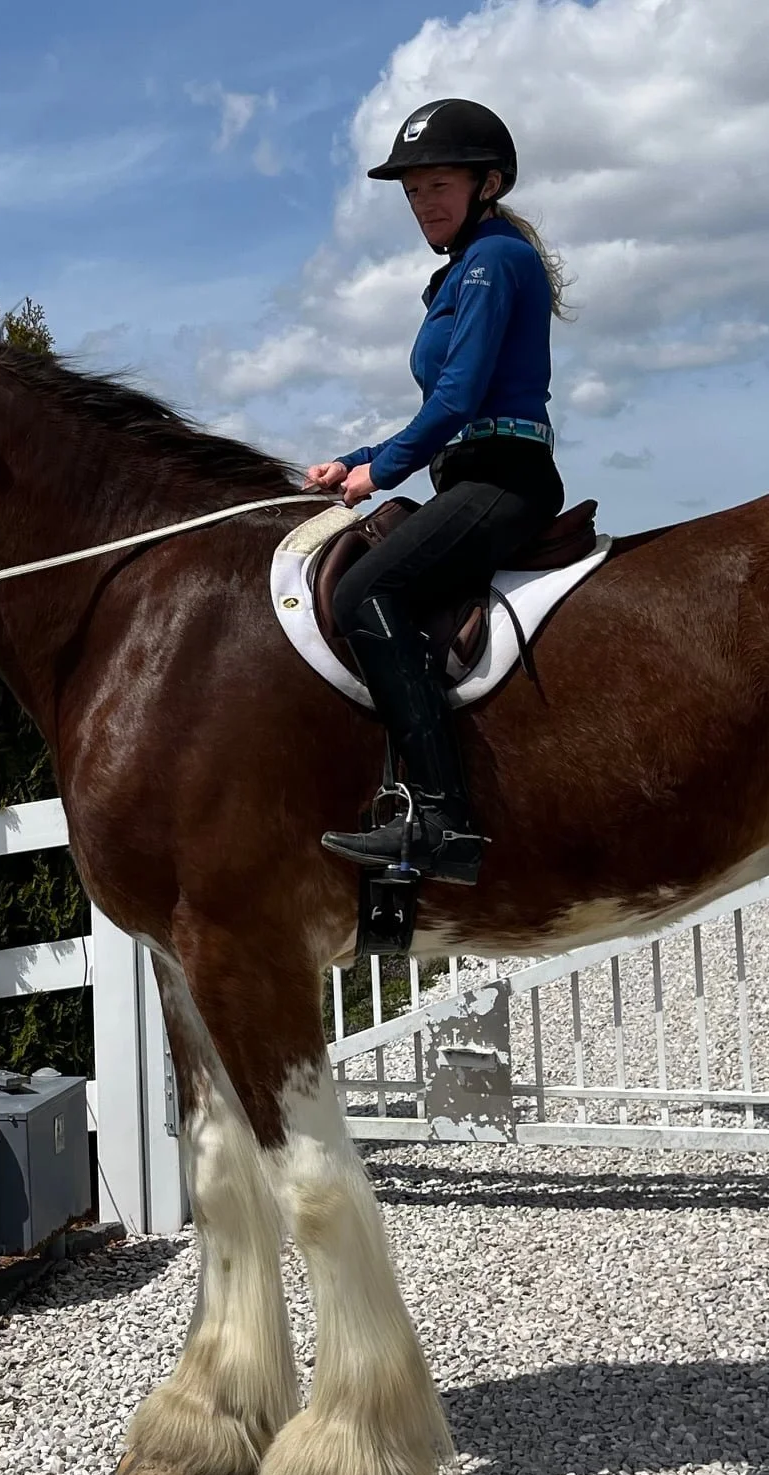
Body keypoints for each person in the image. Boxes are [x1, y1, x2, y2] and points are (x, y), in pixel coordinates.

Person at [308, 98, 570, 888]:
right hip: (470, 466)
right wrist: (351, 460)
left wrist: (380, 472)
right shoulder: (461, 269)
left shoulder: (495, 260)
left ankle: (441, 818)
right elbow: (444, 413)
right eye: (412, 191)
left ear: (487, 184)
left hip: (504, 478)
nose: (423, 204)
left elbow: (456, 399)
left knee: (364, 592)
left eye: (438, 186)